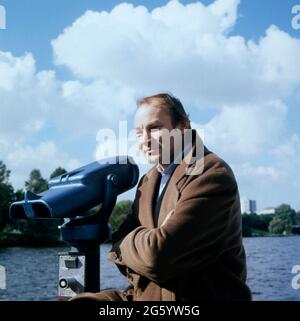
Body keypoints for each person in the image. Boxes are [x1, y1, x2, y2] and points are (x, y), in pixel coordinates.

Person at [71, 93, 252, 301]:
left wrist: (131, 244)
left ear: (184, 126)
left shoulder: (212, 173)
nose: (145, 140)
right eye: (139, 133)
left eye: (154, 128)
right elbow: (132, 265)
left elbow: (158, 259)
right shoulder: (148, 182)